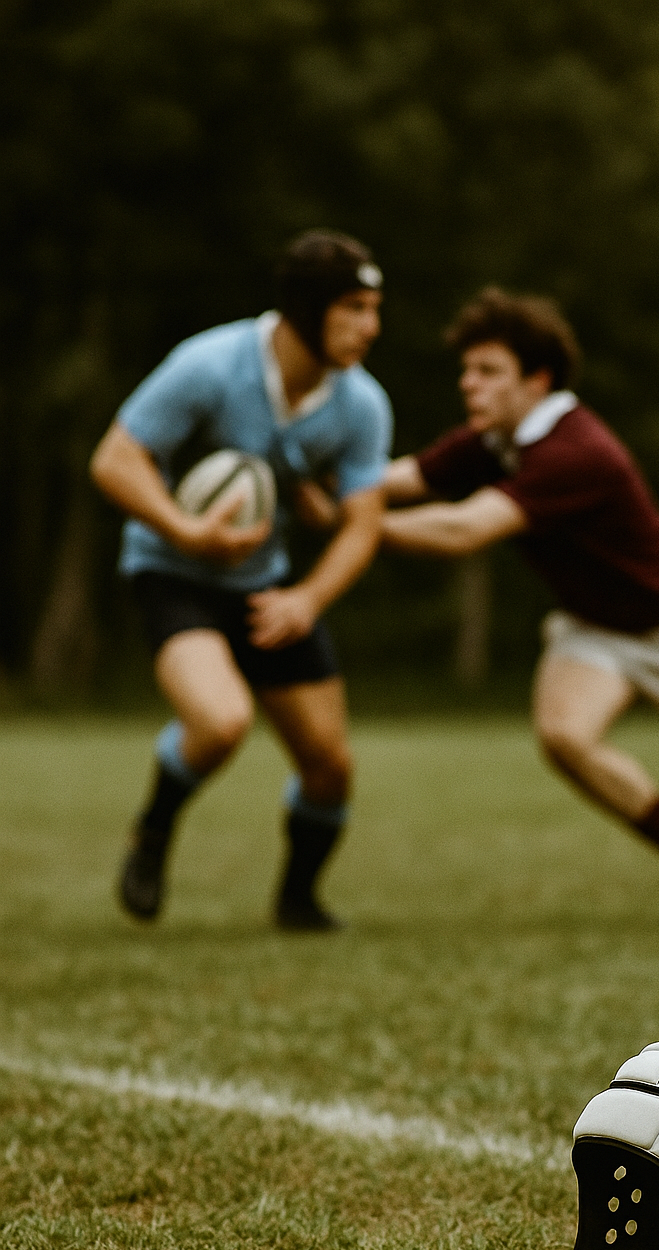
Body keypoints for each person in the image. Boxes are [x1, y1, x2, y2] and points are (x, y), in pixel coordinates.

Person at [381, 288, 659, 926]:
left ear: (538, 379)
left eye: (487, 371)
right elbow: (403, 479)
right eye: (466, 369)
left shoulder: (575, 451)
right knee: (563, 736)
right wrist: (322, 481)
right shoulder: (494, 439)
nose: (467, 383)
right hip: (594, 629)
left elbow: (462, 531)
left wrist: (361, 526)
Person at [90, 229, 392, 930]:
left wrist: (306, 599)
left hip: (268, 583)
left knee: (329, 765)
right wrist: (185, 530)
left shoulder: (361, 404)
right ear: (303, 311)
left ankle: (298, 901)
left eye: (374, 309)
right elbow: (115, 460)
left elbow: (363, 523)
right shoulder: (209, 366)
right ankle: (153, 829)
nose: (368, 327)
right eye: (352, 308)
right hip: (172, 573)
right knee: (222, 722)